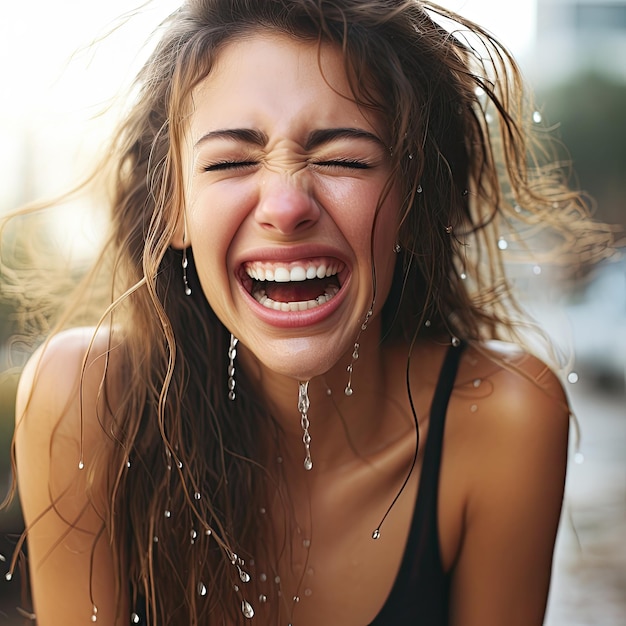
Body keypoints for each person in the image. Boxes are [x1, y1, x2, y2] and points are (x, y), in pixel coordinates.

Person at [1, 1, 614, 625]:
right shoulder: (89, 401)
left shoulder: (502, 418)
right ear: (174, 209)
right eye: (231, 162)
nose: (287, 206)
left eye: (343, 159)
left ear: (412, 198)